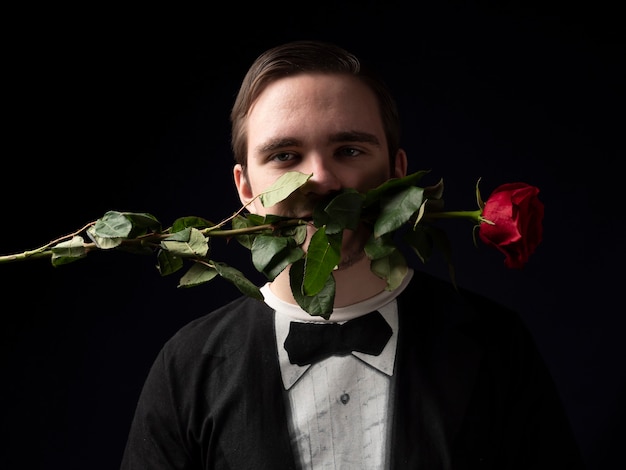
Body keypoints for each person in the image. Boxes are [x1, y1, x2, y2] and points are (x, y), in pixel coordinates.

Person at [120, 40, 585, 469]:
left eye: (349, 149)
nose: (321, 179)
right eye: (284, 155)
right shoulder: (187, 366)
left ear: (397, 172)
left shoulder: (495, 346)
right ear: (246, 190)